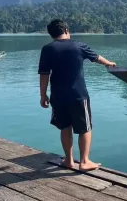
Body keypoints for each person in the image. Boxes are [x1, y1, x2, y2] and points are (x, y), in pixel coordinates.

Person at [38, 19, 116, 171]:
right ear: (66, 30)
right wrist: (109, 63)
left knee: (65, 127)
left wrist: (43, 95)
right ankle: (84, 161)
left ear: (51, 34)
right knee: (85, 128)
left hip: (58, 96)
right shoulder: (78, 46)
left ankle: (68, 160)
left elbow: (44, 74)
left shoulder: (47, 49)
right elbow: (97, 58)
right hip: (78, 95)